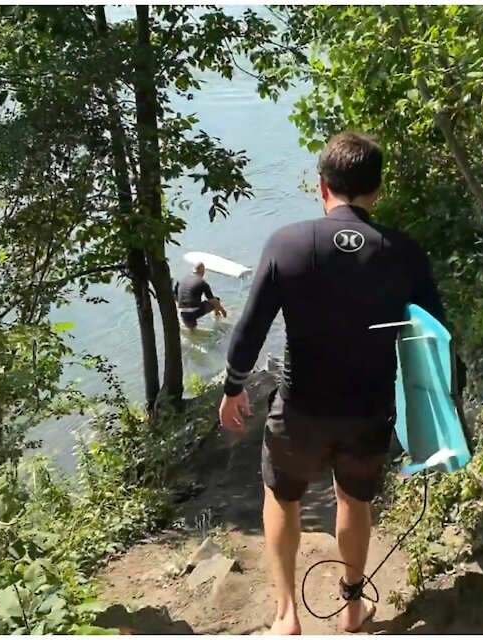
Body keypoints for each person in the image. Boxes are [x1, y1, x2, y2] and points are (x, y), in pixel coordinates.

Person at [217, 131, 445, 635]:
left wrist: (234, 387)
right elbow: (434, 339)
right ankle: (351, 608)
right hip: (368, 411)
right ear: (377, 190)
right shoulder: (404, 252)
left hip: (300, 409)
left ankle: (286, 615)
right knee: (354, 500)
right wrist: (435, 421)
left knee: (282, 498)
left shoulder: (289, 243)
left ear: (322, 187)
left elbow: (250, 327)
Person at [174, 263, 227, 331]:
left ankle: (189, 327)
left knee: (192, 332)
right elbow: (213, 300)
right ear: (203, 272)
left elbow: (175, 297)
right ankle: (218, 319)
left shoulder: (180, 280)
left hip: (184, 314)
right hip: (195, 312)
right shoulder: (202, 282)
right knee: (216, 300)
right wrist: (222, 310)